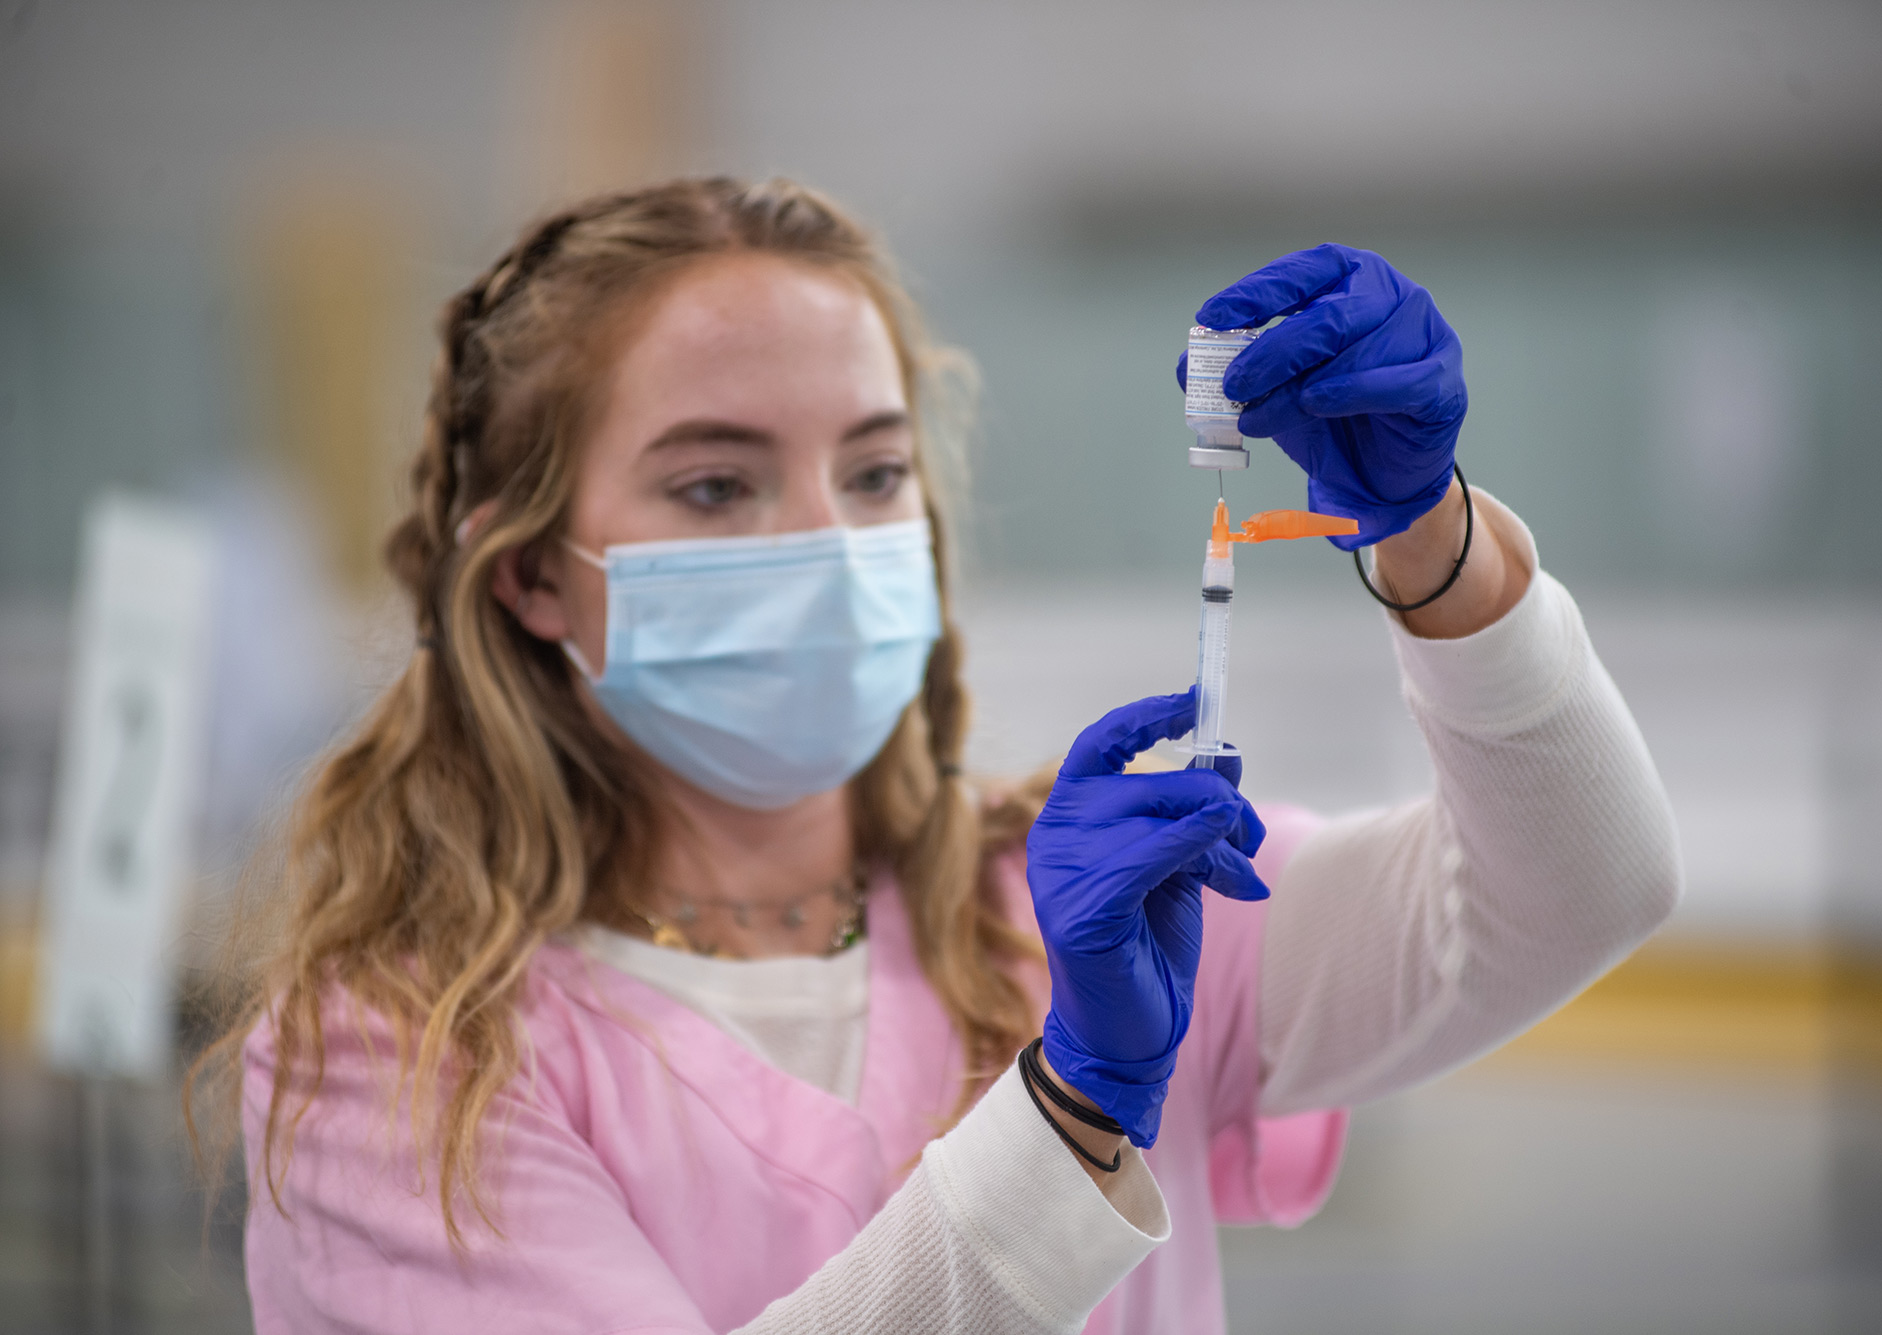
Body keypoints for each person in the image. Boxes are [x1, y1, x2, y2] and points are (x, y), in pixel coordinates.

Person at [190, 176, 1681, 1334]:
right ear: (527, 576)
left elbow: (1585, 888)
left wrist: (1440, 548)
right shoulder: (400, 1067)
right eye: (716, 484)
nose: (830, 544)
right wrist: (1073, 1114)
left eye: (876, 469)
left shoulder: (1080, 913)